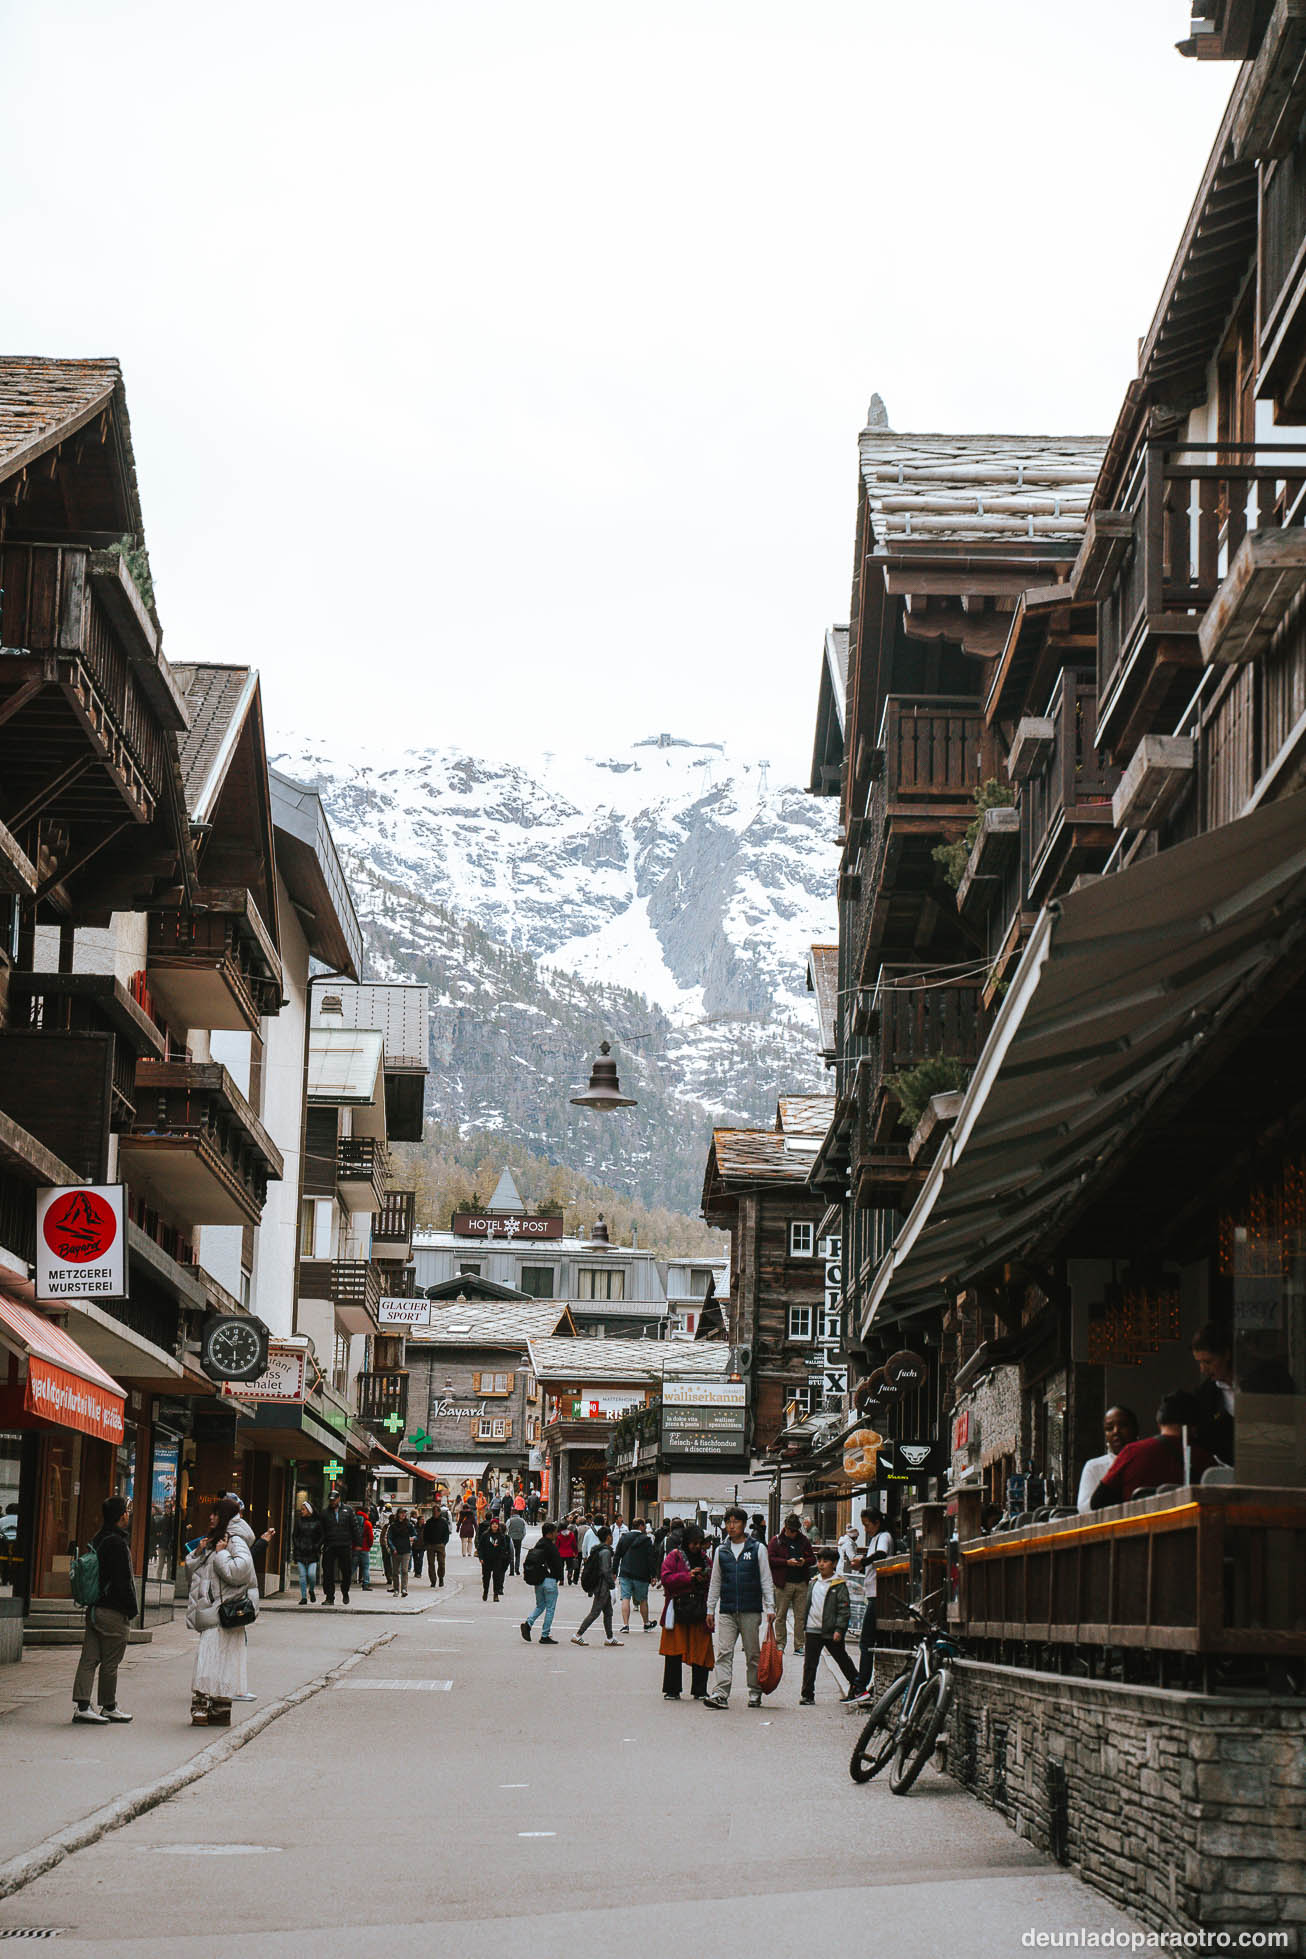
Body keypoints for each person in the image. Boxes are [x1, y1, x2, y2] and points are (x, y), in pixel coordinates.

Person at [185, 1498, 257, 1726]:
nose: (210, 1518)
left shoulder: (233, 1541)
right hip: (213, 1609)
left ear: (224, 1517)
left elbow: (241, 1571)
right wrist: (198, 1553)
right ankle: (217, 1709)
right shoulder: (216, 1540)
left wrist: (222, 1554)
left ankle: (209, 1709)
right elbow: (195, 1575)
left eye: (215, 1514)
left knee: (214, 1658)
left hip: (224, 1611)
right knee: (214, 1657)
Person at [71, 1494, 136, 1725]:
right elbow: (122, 1581)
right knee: (110, 1662)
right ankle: (108, 1706)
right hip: (112, 1611)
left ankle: (82, 1706)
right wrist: (131, 1609)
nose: (129, 1515)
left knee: (89, 1658)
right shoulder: (117, 1543)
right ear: (121, 1517)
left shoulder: (98, 1538)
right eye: (126, 1511)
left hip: (94, 1608)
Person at [702, 1505, 775, 1710]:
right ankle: (721, 1693)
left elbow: (765, 1579)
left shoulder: (757, 1548)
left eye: (735, 1522)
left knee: (752, 1653)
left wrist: (770, 1607)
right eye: (728, 1522)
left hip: (750, 1609)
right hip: (727, 1609)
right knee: (724, 1651)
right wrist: (710, 1609)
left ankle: (754, 1692)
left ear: (744, 1524)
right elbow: (715, 1581)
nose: (731, 1526)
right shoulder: (721, 1551)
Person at [1091, 1392, 1214, 1508]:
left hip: (1137, 1527)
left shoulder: (1132, 1452)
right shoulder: (1204, 1459)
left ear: (1159, 1422)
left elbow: (1098, 1501)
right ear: (1194, 1427)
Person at [658, 1523, 714, 1700]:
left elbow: (715, 1580)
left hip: (699, 1608)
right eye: (693, 1543)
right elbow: (665, 1578)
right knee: (674, 1649)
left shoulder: (706, 1560)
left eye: (699, 1543)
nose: (696, 1547)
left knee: (702, 1650)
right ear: (686, 1542)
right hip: (678, 1607)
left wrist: (704, 1576)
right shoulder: (674, 1557)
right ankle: (672, 1689)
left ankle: (699, 1690)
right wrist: (687, 1576)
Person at [799, 1545, 858, 1704]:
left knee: (842, 1659)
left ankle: (857, 1687)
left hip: (831, 1631)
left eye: (826, 1561)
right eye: (820, 1561)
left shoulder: (838, 1585)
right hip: (813, 1628)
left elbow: (843, 1609)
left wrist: (839, 1629)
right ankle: (807, 1694)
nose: (822, 1564)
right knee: (810, 1664)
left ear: (834, 1563)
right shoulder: (814, 1582)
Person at [849, 1509, 895, 1698]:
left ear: (877, 1523)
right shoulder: (876, 1538)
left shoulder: (884, 1537)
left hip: (879, 1594)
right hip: (873, 1591)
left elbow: (881, 1555)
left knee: (866, 1641)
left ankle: (861, 1685)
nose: (866, 1529)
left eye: (867, 1525)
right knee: (871, 1640)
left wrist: (863, 1562)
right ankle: (865, 1683)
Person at [768, 1514, 817, 1657]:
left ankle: (799, 1645)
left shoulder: (804, 1540)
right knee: (780, 1615)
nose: (794, 1533)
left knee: (800, 1616)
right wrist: (786, 1562)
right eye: (792, 1530)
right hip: (783, 1583)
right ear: (786, 1528)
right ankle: (780, 1644)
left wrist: (804, 1561)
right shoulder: (776, 1541)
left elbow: (812, 1558)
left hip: (801, 1582)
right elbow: (770, 1559)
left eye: (796, 1530)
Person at [1076, 1408, 1140, 1512]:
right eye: (1109, 1428)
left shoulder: (1147, 1459)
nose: (1116, 1431)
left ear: (1135, 1429)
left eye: (1123, 1425)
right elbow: (1084, 1509)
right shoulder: (1094, 1467)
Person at [1191, 1321, 1235, 1463]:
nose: (1203, 1370)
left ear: (1227, 1354)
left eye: (1208, 1362)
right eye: (1199, 1362)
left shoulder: (1259, 1383)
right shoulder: (1204, 1395)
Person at [572, 1525, 620, 1647]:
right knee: (595, 1612)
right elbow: (605, 1570)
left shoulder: (598, 1550)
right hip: (602, 1586)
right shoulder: (605, 1552)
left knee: (608, 1611)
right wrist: (612, 1585)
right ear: (609, 1537)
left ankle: (610, 1637)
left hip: (600, 1585)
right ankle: (578, 1635)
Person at [520, 1520, 564, 1644]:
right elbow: (557, 1564)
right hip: (550, 1580)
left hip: (538, 1580)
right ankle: (545, 1634)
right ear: (549, 1534)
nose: (556, 1534)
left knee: (540, 1605)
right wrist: (560, 1577)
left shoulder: (539, 1544)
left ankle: (528, 1623)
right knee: (550, 1608)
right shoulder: (551, 1547)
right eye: (555, 1532)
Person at [615, 1517, 658, 1633]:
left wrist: (614, 1572)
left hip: (625, 1572)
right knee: (643, 1600)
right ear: (641, 1526)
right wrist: (653, 1575)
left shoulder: (624, 1538)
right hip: (641, 1574)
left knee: (625, 1598)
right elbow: (650, 1559)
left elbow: (617, 1555)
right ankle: (646, 1623)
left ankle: (625, 1625)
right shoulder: (647, 1540)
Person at [319, 1491, 361, 1604]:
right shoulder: (324, 1513)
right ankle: (329, 1597)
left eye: (334, 1500)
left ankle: (345, 1591)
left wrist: (358, 1544)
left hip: (345, 1545)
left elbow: (355, 1527)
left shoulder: (348, 1510)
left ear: (339, 1499)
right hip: (330, 1545)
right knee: (328, 1572)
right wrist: (319, 1545)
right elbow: (321, 1531)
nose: (332, 1502)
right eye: (330, 1500)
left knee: (346, 1571)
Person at [291, 1499, 323, 1605]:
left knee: (312, 1574)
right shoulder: (299, 1522)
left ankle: (311, 1590)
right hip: (301, 1552)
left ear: (309, 1511)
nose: (301, 1511)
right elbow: (294, 1535)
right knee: (302, 1576)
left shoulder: (317, 1523)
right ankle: (304, 1597)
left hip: (312, 1553)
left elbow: (321, 1537)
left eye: (303, 1509)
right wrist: (298, 1545)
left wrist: (316, 1546)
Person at [477, 1514, 512, 1602]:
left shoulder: (501, 1536)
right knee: (486, 1577)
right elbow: (480, 1547)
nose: (495, 1526)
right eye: (493, 1524)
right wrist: (481, 1557)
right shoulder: (485, 1535)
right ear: (490, 1525)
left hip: (497, 1560)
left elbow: (504, 1547)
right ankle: (485, 1591)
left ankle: (496, 1594)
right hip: (486, 1559)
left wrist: (501, 1553)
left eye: (496, 1524)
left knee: (496, 1577)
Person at [386, 1507, 415, 1596]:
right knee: (395, 1571)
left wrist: (413, 1538)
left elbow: (414, 1534)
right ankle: (396, 1589)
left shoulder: (408, 1525)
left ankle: (404, 1589)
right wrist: (392, 1548)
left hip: (406, 1550)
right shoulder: (393, 1526)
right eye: (402, 1513)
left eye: (404, 1513)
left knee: (404, 1570)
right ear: (398, 1514)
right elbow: (389, 1538)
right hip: (396, 1551)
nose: (403, 1515)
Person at [423, 1501, 450, 1587]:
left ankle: (441, 1577)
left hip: (440, 1545)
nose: (435, 1513)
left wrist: (444, 1543)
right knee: (431, 1564)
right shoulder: (429, 1522)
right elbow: (425, 1533)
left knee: (441, 1563)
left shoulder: (443, 1522)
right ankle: (433, 1580)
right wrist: (426, 1543)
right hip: (430, 1545)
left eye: (436, 1512)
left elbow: (447, 1533)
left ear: (439, 1512)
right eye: (433, 1512)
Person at [354, 1505, 375, 1592]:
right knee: (365, 1567)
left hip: (354, 1547)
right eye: (369, 1512)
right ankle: (365, 1584)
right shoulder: (367, 1523)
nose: (370, 1513)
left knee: (352, 1566)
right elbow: (370, 1537)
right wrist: (369, 1546)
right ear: (366, 1512)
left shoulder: (354, 1520)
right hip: (364, 1547)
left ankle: (346, 1582)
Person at [557, 1518, 580, 1584]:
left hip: (561, 1553)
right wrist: (575, 1552)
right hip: (570, 1553)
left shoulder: (559, 1535)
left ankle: (561, 1580)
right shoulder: (571, 1535)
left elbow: (557, 1545)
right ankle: (569, 1575)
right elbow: (574, 1544)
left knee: (560, 1567)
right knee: (570, 1566)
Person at [506, 1504, 527, 1575]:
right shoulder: (522, 1521)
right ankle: (517, 1570)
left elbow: (506, 1530)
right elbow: (524, 1532)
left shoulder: (509, 1520)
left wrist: (507, 1538)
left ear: (512, 1513)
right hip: (519, 1539)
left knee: (511, 1555)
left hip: (511, 1539)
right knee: (518, 1555)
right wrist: (521, 1538)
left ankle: (511, 1571)